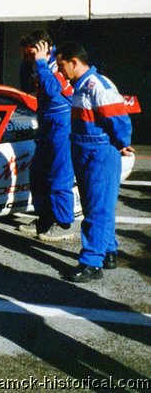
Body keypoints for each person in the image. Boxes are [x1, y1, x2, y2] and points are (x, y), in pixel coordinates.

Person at [54, 42, 134, 283]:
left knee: (98, 208)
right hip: (84, 148)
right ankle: (108, 250)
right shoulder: (80, 86)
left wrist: (123, 142)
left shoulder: (98, 85)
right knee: (95, 206)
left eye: (62, 65)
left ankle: (91, 262)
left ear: (74, 62)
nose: (60, 71)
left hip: (100, 152)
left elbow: (119, 117)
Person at [17, 31, 76, 242]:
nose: (29, 57)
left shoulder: (57, 65)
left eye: (32, 53)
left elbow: (51, 89)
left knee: (59, 176)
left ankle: (64, 223)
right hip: (46, 123)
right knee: (38, 174)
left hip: (61, 125)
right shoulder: (39, 65)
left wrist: (41, 63)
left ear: (45, 49)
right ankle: (44, 219)